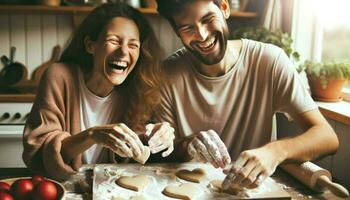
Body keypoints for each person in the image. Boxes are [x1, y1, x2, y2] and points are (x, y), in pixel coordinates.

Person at [154, 0, 339, 189]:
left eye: (208, 19)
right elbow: (164, 154)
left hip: (254, 191)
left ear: (224, 8)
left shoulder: (269, 61)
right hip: (191, 191)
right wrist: (187, 145)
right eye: (187, 28)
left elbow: (327, 137)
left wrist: (274, 152)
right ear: (177, 32)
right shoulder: (165, 75)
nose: (201, 35)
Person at [23, 3, 175, 180]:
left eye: (133, 45)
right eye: (113, 41)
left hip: (109, 189)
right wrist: (93, 135)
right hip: (63, 187)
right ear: (90, 45)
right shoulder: (59, 76)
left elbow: (133, 156)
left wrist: (154, 137)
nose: (123, 51)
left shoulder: (137, 88)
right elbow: (39, 154)